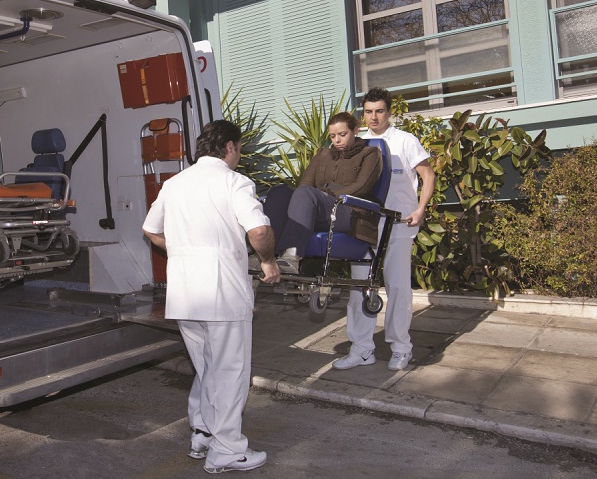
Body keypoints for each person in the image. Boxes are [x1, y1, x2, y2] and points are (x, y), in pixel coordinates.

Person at [142, 120, 279, 474]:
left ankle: (202, 433)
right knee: (229, 372)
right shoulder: (235, 182)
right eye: (240, 149)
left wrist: (184, 250)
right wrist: (268, 261)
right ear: (230, 147)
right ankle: (227, 450)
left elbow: (150, 229)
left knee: (207, 368)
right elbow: (259, 230)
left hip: (185, 293)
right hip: (223, 292)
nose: (239, 156)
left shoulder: (174, 184)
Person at [333, 87, 435, 372]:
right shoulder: (357, 144)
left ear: (389, 112)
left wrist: (420, 209)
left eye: (379, 111)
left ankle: (401, 348)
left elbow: (428, 175)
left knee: (397, 288)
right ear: (362, 114)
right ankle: (361, 349)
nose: (374, 117)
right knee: (360, 288)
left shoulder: (405, 141)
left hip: (399, 224)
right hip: (363, 224)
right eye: (368, 112)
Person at [263, 112, 383, 274]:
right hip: (318, 209)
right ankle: (266, 257)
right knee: (280, 192)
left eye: (342, 135)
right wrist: (318, 196)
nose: (337, 140)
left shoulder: (370, 153)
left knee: (306, 194)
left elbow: (362, 187)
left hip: (349, 211)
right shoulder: (323, 155)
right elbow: (305, 184)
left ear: (355, 130)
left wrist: (326, 195)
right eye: (332, 136)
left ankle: (291, 256)